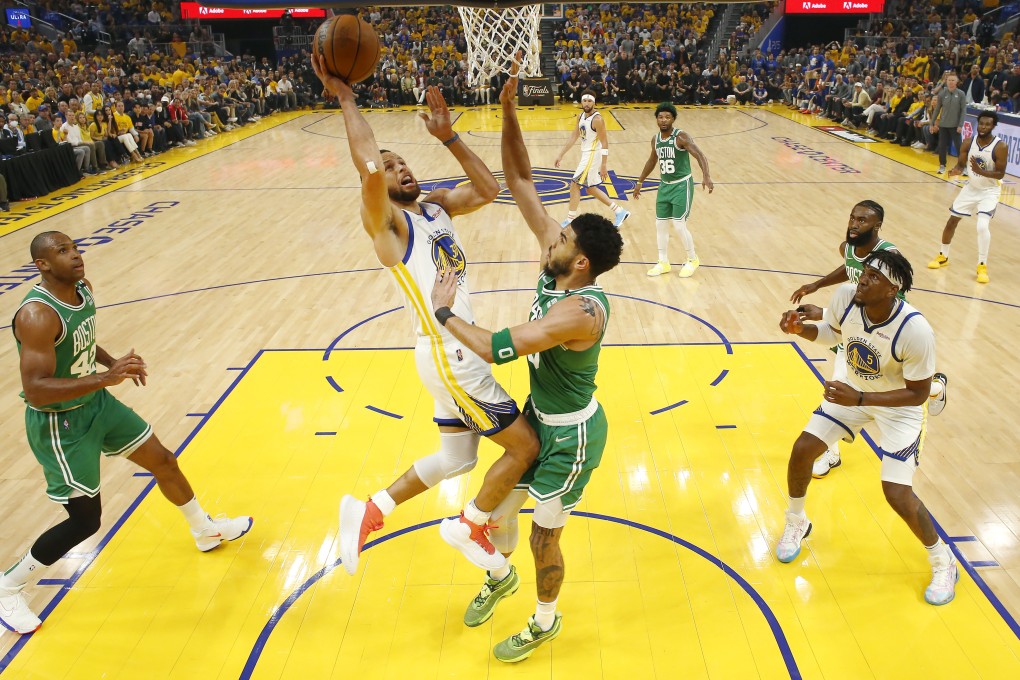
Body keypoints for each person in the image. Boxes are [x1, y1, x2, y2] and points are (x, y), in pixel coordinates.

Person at [309, 54, 541, 575]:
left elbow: (489, 190)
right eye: (390, 168)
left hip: (446, 352)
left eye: (400, 162)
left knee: (458, 458)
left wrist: (449, 139)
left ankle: (369, 509)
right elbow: (366, 163)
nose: (397, 168)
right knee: (524, 446)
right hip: (450, 353)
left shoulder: (434, 208)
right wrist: (347, 99)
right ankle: (470, 524)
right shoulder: (386, 225)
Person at [428, 73, 623, 664]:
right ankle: (496, 574)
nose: (550, 234)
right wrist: (503, 112)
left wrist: (442, 309)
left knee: (544, 533)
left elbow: (491, 348)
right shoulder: (558, 263)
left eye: (561, 234)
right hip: (544, 413)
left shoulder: (579, 312)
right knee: (503, 508)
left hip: (572, 438)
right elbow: (518, 181)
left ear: (580, 260)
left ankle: (544, 620)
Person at [0, 232, 252, 635]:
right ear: (42, 265)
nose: (76, 255)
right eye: (62, 252)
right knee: (85, 521)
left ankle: (204, 529)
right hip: (59, 422)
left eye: (75, 247)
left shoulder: (81, 289)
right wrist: (106, 377)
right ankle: (8, 586)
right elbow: (36, 387)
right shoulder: (36, 315)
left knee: (163, 461)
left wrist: (112, 362)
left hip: (96, 404)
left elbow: (81, 339)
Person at [778, 249, 958, 606]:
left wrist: (860, 400)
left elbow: (916, 393)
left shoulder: (916, 330)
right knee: (802, 450)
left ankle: (943, 560)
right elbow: (832, 334)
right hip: (855, 395)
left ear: (894, 290)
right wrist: (802, 330)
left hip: (897, 406)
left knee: (897, 494)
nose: (864, 279)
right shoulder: (847, 296)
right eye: (865, 272)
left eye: (875, 277)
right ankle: (796, 520)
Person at [790, 200, 949, 476]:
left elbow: (882, 308)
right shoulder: (851, 246)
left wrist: (824, 312)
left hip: (881, 333)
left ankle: (931, 388)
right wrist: (818, 284)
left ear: (877, 226)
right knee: (839, 391)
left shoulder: (889, 257)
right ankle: (832, 452)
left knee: (863, 386)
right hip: (852, 332)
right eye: (853, 217)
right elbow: (849, 267)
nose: (854, 224)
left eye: (862, 220)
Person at [631, 102, 714, 278]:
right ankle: (663, 261)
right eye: (660, 117)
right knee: (660, 224)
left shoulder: (681, 137)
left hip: (681, 185)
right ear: (656, 119)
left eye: (667, 117)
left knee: (678, 224)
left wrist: (706, 175)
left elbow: (700, 155)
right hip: (664, 186)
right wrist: (639, 182)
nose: (663, 120)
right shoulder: (656, 139)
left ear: (673, 119)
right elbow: (652, 161)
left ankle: (692, 259)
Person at [927, 110, 1006, 284]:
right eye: (982, 123)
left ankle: (982, 265)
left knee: (982, 225)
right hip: (971, 188)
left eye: (988, 124)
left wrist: (981, 171)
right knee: (951, 221)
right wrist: (955, 171)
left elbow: (1000, 174)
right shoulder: (969, 143)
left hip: (989, 191)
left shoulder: (1000, 146)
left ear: (993, 126)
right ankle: (943, 255)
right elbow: (961, 165)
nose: (984, 126)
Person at [554, 90, 630, 229]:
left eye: (590, 101)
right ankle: (620, 211)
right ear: (581, 102)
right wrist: (561, 154)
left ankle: (570, 219)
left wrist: (604, 165)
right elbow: (573, 136)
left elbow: (605, 143)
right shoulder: (580, 116)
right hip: (586, 154)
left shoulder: (597, 119)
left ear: (594, 102)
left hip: (593, 155)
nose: (587, 103)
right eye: (585, 101)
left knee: (574, 185)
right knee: (591, 189)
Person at [930, 73, 966, 174]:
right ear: (946, 81)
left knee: (960, 147)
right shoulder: (942, 94)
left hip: (955, 126)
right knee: (942, 146)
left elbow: (963, 110)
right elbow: (937, 109)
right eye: (949, 80)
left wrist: (960, 125)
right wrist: (932, 123)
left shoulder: (961, 94)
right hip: (943, 125)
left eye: (953, 80)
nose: (951, 82)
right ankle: (942, 165)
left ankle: (963, 167)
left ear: (957, 82)